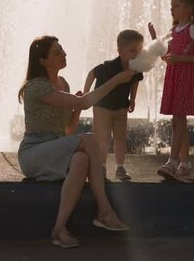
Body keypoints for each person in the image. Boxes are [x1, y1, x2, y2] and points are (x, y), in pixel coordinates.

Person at [18, 35, 134, 248]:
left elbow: (68, 129)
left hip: (56, 146)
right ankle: (104, 210)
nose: (64, 54)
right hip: (34, 152)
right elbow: (84, 101)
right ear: (43, 61)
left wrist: (77, 108)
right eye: (57, 52)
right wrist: (117, 79)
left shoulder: (64, 84)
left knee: (81, 160)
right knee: (89, 139)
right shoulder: (36, 86)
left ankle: (59, 229)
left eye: (62, 50)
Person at [149, 0, 194, 180]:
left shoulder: (193, 29)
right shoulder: (174, 30)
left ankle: (172, 162)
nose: (171, 9)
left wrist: (181, 58)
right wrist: (154, 38)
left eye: (176, 6)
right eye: (171, 6)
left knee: (178, 119)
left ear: (189, 8)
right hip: (176, 75)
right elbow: (167, 56)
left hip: (187, 76)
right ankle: (184, 164)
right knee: (178, 120)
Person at [83, 30, 144, 181]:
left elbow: (135, 81)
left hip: (121, 106)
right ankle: (101, 166)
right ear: (120, 52)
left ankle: (120, 167)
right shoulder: (109, 67)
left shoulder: (135, 67)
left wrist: (133, 99)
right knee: (103, 139)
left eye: (139, 50)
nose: (137, 53)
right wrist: (86, 93)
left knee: (120, 137)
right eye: (132, 50)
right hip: (102, 106)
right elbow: (92, 73)